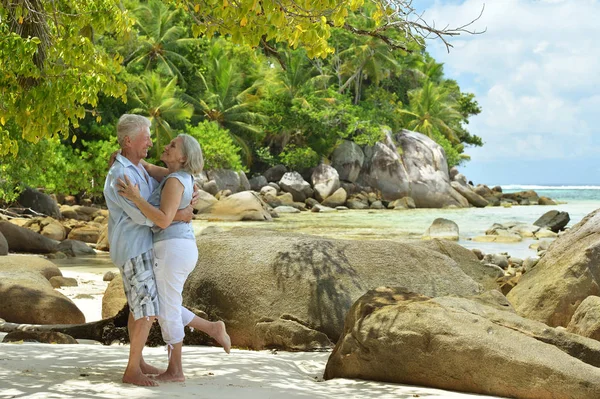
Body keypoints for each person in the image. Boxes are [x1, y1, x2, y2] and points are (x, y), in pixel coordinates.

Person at [117, 133, 231, 383]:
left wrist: (136, 198)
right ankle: (212, 328)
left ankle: (176, 370)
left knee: (166, 309)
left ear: (183, 157)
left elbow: (163, 219)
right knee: (159, 304)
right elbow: (146, 167)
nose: (165, 146)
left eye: (173, 146)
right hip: (176, 247)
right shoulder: (175, 176)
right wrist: (121, 156)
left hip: (172, 248)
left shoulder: (175, 181)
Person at [104, 114, 197, 386]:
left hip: (142, 245)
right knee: (146, 311)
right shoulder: (122, 174)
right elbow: (144, 217)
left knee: (137, 308)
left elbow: (171, 176)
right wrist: (179, 215)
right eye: (146, 137)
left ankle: (138, 360)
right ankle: (132, 370)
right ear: (130, 140)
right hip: (134, 247)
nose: (151, 142)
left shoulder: (137, 168)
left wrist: (188, 189)